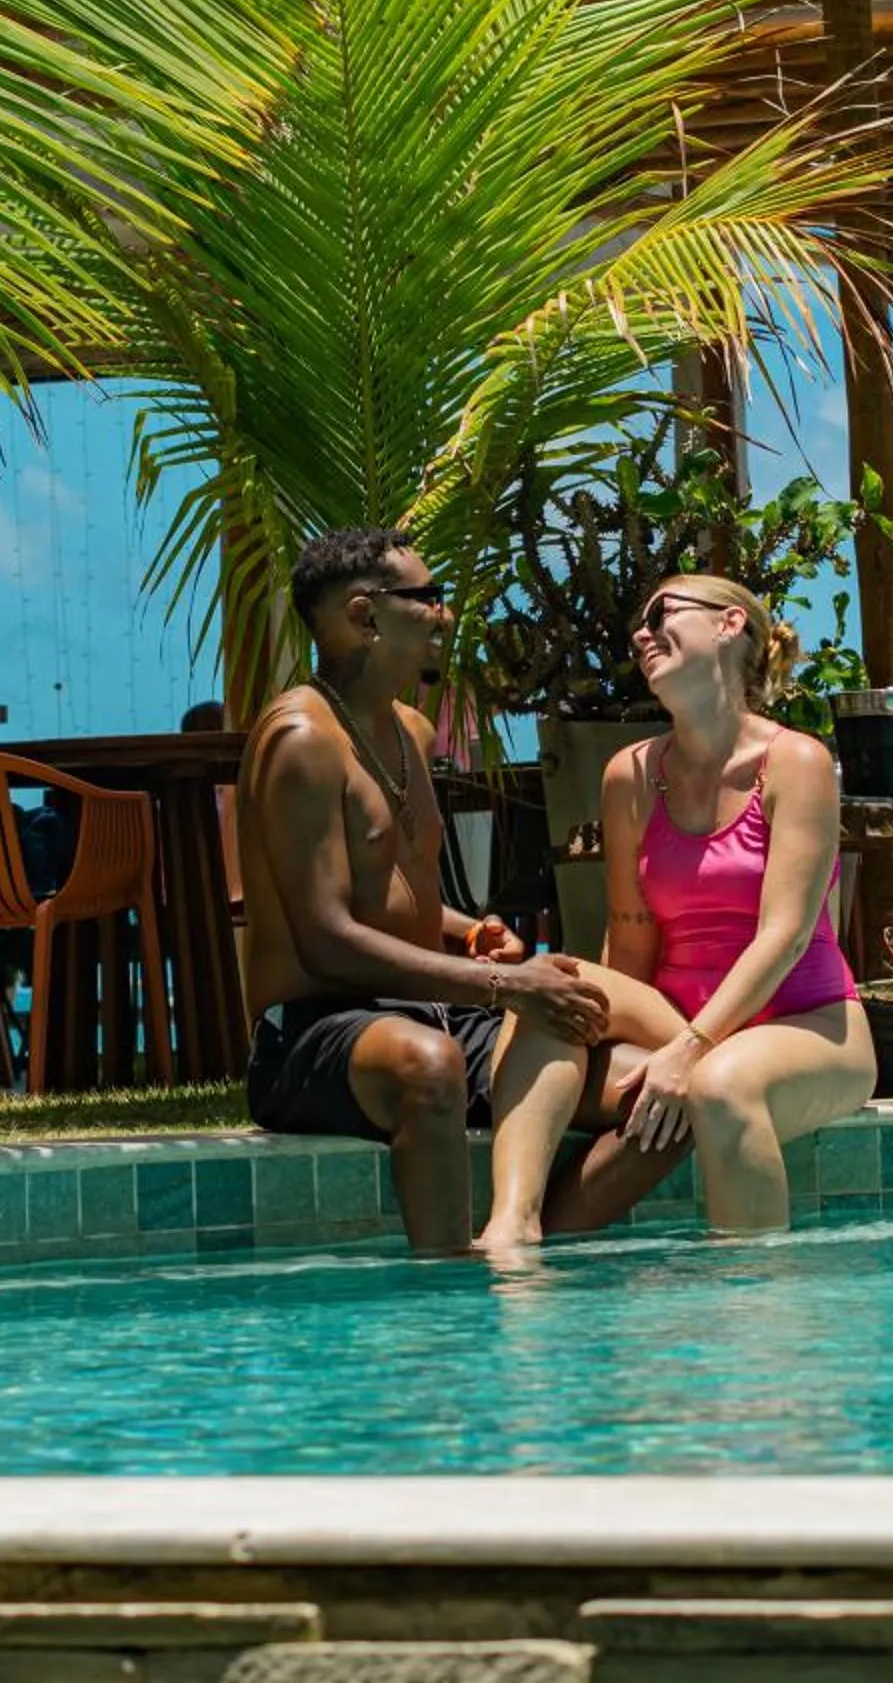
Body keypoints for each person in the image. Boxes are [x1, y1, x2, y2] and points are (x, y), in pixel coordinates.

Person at [236, 527, 610, 1254]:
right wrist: (500, 988)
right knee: (428, 1068)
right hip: (315, 1030)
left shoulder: (409, 729)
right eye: (428, 597)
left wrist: (470, 932)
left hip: (429, 1005)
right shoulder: (301, 739)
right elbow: (327, 938)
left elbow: (391, 892)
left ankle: (514, 1248)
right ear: (365, 615)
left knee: (646, 1084)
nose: (446, 613)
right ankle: (446, 1308)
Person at [538, 575, 878, 1233]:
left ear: (728, 626)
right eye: (638, 622)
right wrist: (612, 1042)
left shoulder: (796, 762)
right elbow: (630, 944)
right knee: (553, 996)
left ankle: (755, 1313)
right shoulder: (629, 775)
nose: (640, 632)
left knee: (720, 1085)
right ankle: (515, 1238)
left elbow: (784, 935)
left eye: (661, 613)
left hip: (810, 1027)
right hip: (679, 1027)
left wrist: (690, 1051)